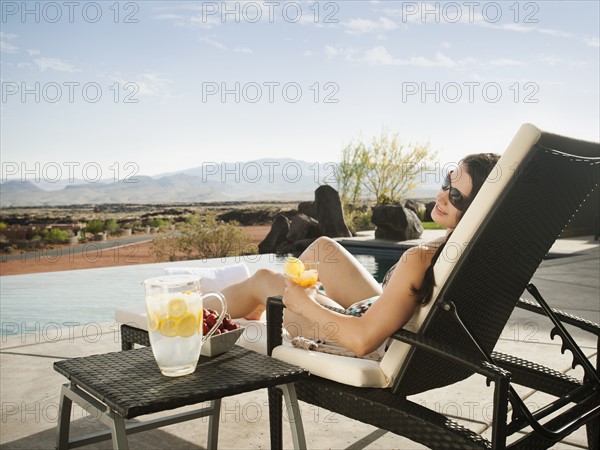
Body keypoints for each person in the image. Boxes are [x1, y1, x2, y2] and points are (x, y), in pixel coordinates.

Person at [221, 153, 500, 358]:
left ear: (478, 210)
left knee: (264, 279)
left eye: (456, 197)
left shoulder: (421, 258)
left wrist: (305, 305)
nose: (441, 196)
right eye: (446, 183)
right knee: (323, 248)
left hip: (362, 341)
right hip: (380, 314)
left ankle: (199, 317)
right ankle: (257, 310)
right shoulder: (479, 252)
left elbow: (363, 340)